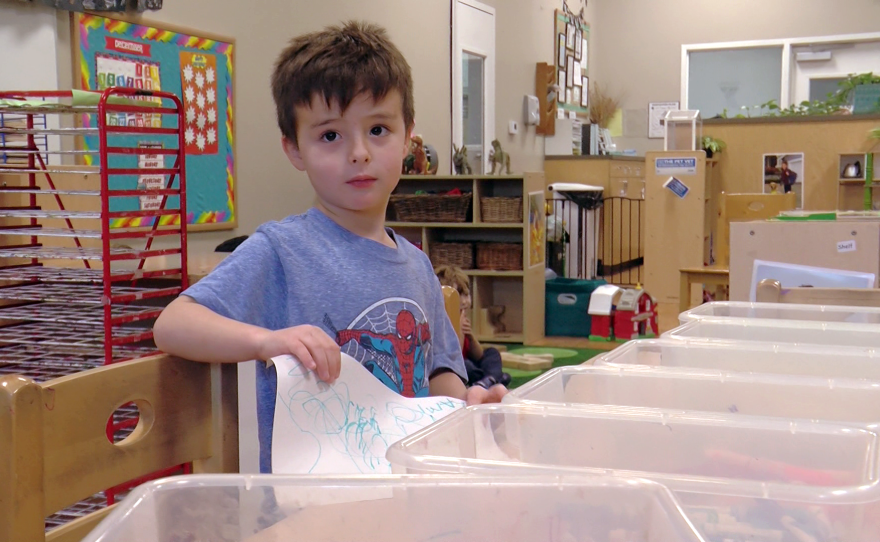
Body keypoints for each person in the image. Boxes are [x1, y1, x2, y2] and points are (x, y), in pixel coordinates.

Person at [153, 20, 507, 474]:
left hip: (407, 497)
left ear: (408, 138)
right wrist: (266, 341)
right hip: (307, 509)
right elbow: (173, 324)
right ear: (294, 149)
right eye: (330, 136)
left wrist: (471, 407)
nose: (358, 152)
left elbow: (439, 379)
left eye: (378, 129)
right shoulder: (282, 250)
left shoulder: (418, 267)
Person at [435, 265, 511, 389]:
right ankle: (493, 378)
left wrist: (470, 336)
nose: (465, 301)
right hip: (455, 366)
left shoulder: (463, 316)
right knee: (467, 365)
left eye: (467, 294)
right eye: (459, 295)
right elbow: (455, 357)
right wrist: (459, 330)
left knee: (492, 353)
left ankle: (489, 380)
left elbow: (479, 355)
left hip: (470, 362)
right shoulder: (445, 320)